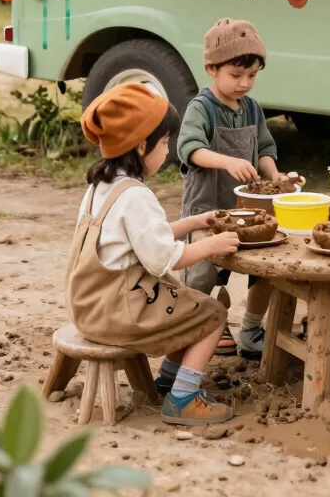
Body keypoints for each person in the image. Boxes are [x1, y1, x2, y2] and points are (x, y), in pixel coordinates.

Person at [69, 83, 240, 427]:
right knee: (212, 314)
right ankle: (184, 398)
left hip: (90, 304)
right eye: (164, 142)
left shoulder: (102, 185)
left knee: (181, 298)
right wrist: (211, 245)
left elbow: (142, 239)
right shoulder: (136, 196)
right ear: (142, 145)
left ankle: (170, 378)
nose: (168, 149)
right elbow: (165, 259)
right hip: (119, 313)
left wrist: (194, 222)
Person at [177, 18, 290, 359]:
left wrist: (276, 176)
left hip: (249, 209)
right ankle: (206, 324)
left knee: (264, 267)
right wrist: (227, 161)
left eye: (252, 75)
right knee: (204, 271)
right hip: (208, 207)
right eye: (236, 75)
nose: (244, 83)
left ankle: (252, 327)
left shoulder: (252, 108)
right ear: (212, 68)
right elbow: (189, 148)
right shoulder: (201, 108)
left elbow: (265, 149)